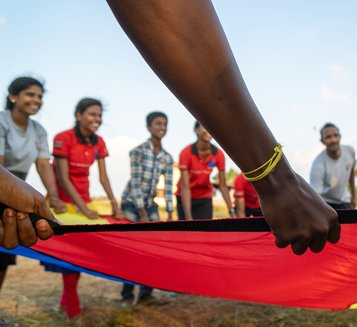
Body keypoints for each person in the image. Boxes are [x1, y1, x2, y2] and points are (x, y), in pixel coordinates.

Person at [106, 0, 340, 255]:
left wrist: (248, 198)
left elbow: (220, 181)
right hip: (176, 202)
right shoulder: (184, 154)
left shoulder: (216, 154)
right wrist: (278, 183)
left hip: (206, 200)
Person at [48, 97, 123, 319]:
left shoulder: (98, 143)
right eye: (92, 114)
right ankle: (73, 309)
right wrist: (81, 208)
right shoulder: (63, 138)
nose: (96, 119)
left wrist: (114, 204)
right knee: (70, 256)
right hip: (64, 205)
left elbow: (103, 176)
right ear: (79, 115)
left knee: (80, 253)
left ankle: (65, 301)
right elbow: (62, 177)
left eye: (99, 115)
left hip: (85, 201)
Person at [0, 77, 66, 299]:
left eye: (39, 96)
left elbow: (43, 164)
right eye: (30, 94)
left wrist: (54, 196)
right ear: (13, 97)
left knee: (5, 254)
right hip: (5, 185)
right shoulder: (2, 121)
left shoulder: (38, 130)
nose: (36, 100)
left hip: (21, 191)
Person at [119, 111, 174, 305]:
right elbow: (135, 184)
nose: (162, 127)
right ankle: (126, 294)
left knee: (152, 249)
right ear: (149, 127)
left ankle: (145, 294)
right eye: (158, 123)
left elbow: (168, 187)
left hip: (150, 205)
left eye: (165, 124)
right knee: (131, 249)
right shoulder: (138, 152)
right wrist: (142, 213)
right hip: (131, 204)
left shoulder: (167, 158)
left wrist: (169, 213)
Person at [176, 122, 234, 220]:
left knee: (205, 231)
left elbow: (222, 185)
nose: (208, 131)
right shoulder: (186, 153)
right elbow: (185, 187)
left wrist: (231, 211)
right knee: (187, 232)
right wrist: (188, 218)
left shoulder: (218, 154)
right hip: (184, 197)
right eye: (204, 127)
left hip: (204, 198)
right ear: (196, 130)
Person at [309, 123, 356, 209]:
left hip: (345, 200)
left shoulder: (350, 151)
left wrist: (353, 195)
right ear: (322, 141)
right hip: (326, 202)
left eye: (335, 135)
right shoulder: (318, 165)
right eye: (328, 137)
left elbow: (351, 172)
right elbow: (316, 196)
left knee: (352, 221)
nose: (333, 140)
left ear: (340, 136)